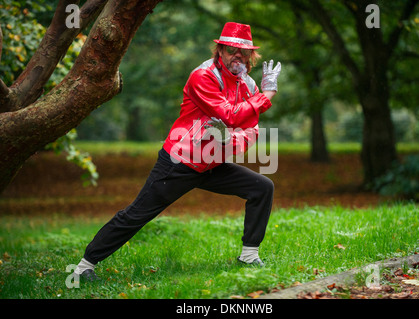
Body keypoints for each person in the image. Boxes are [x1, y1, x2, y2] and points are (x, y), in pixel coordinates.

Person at [74, 22, 282, 281]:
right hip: (180, 161)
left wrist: (230, 141)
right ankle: (84, 266)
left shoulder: (249, 86)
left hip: (211, 163)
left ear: (252, 56)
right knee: (138, 214)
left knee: (262, 187)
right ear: (220, 51)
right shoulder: (204, 76)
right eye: (230, 49)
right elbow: (229, 115)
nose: (236, 55)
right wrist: (266, 95)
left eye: (243, 51)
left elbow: (251, 131)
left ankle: (249, 255)